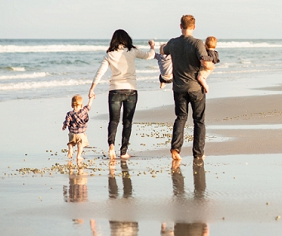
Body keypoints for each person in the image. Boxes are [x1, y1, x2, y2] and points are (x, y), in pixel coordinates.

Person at [89, 29, 155, 160]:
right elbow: (149, 56)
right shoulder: (132, 51)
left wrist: (92, 88)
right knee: (127, 122)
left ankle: (111, 147)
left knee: (113, 120)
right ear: (126, 39)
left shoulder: (110, 54)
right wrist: (152, 46)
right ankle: (123, 152)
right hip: (131, 91)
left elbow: (100, 72)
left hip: (115, 91)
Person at [162, 15, 214, 161]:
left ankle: (175, 148)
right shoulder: (197, 43)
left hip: (178, 88)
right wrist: (210, 65)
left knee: (181, 117)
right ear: (194, 27)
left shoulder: (173, 43)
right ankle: (198, 153)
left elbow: (162, 50)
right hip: (195, 88)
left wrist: (161, 47)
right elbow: (205, 62)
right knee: (199, 121)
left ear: (180, 26)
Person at [62, 93, 95, 162]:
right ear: (81, 104)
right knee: (80, 145)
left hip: (72, 133)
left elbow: (67, 122)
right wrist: (91, 99)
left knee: (71, 142)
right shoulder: (83, 111)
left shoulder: (69, 113)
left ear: (72, 104)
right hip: (81, 133)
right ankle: (78, 156)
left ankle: (70, 148)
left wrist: (64, 126)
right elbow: (89, 106)